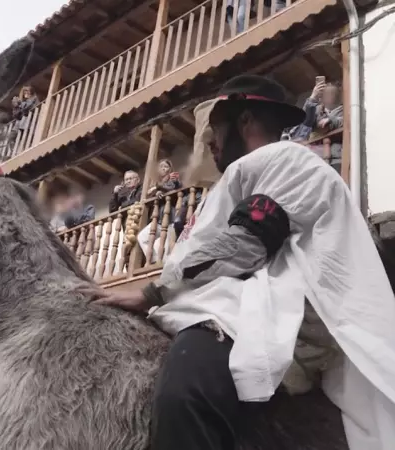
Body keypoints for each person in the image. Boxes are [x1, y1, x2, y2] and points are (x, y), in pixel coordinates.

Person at [91, 75, 395, 450]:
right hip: (239, 304)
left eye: (215, 129)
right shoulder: (242, 176)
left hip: (273, 317)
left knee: (186, 396)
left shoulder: (288, 159)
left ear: (245, 120)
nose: (208, 141)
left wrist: (152, 292)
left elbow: (247, 243)